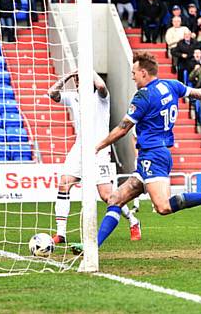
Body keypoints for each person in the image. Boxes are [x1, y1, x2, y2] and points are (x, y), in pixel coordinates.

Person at [69, 52, 201, 254]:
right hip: (150, 155)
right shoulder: (172, 85)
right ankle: (92, 248)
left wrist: (97, 146)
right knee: (115, 199)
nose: (132, 76)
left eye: (134, 73)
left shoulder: (144, 96)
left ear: (144, 73)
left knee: (163, 207)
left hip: (154, 155)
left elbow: (124, 127)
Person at [48, 71, 141, 244]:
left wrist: (88, 70)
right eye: (76, 79)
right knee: (64, 184)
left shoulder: (100, 98)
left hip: (99, 151)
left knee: (108, 196)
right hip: (79, 150)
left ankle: (133, 220)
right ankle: (61, 234)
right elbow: (52, 93)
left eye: (80, 78)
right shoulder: (73, 97)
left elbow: (101, 86)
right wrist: (68, 75)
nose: (78, 82)